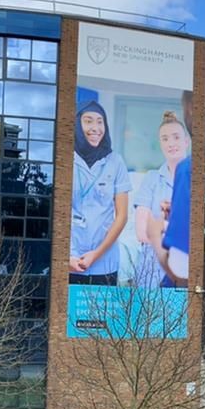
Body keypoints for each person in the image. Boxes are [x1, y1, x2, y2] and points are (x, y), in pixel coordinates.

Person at [70, 91, 131, 286]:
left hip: (105, 263)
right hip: (69, 259)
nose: (95, 128)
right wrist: (64, 257)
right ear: (77, 124)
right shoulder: (65, 158)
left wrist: (96, 254)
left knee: (103, 307)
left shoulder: (115, 161)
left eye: (100, 122)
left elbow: (122, 216)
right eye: (88, 121)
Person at [131, 110, 193, 287]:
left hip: (183, 269)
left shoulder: (194, 178)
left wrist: (162, 226)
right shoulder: (151, 179)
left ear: (186, 141)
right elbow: (142, 232)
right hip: (152, 272)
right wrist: (174, 225)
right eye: (165, 139)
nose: (171, 143)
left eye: (176, 137)